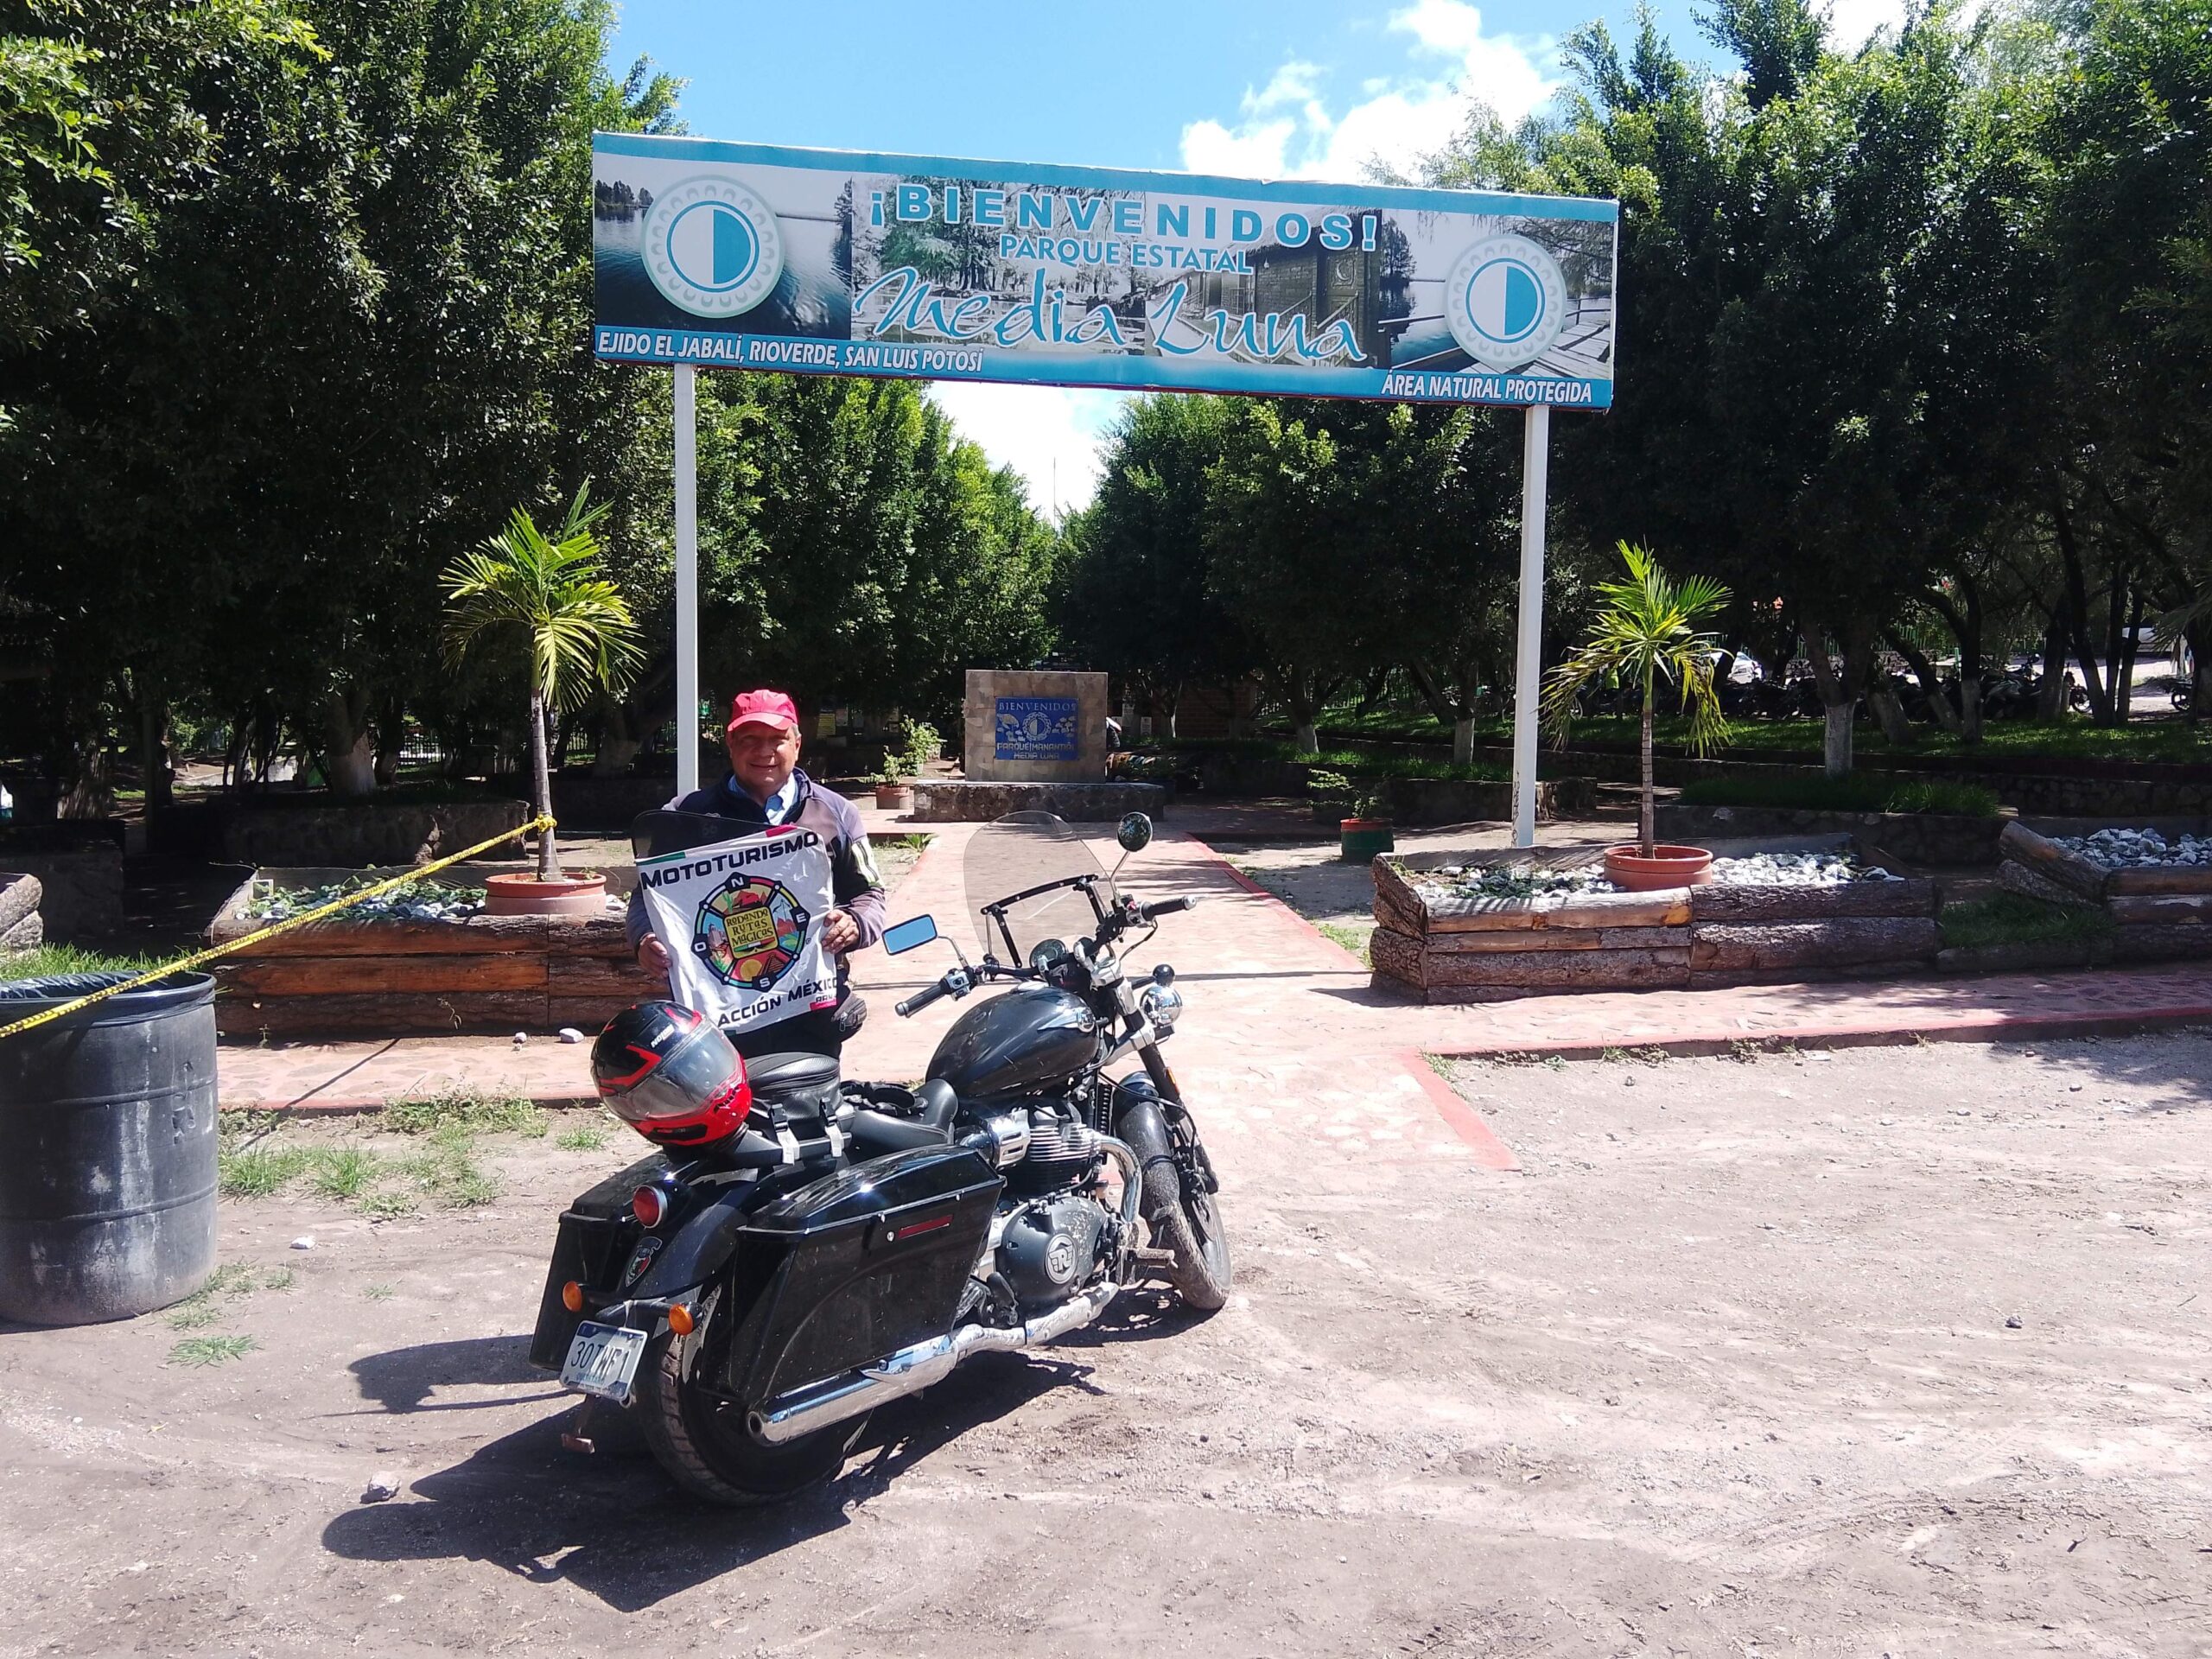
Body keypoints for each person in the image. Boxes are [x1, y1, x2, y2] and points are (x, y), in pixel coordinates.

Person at [628, 689, 885, 1059]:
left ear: (797, 744)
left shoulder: (837, 813)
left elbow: (871, 893)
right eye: (750, 740)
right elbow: (646, 896)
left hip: (809, 1010)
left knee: (813, 1109)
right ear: (730, 744)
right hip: (718, 1017)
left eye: (777, 740)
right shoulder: (684, 815)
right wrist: (643, 938)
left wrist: (856, 924)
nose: (764, 752)